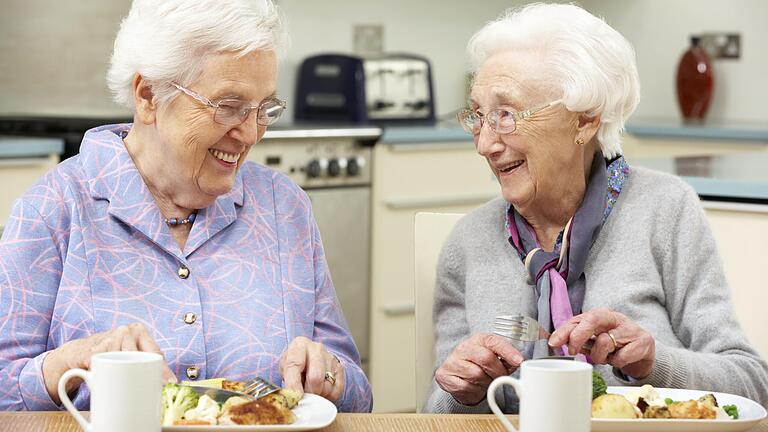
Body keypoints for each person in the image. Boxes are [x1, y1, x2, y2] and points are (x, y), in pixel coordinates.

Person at [0, 0, 371, 412]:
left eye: (264, 109)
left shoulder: (285, 209)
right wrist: (64, 365)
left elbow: (358, 393)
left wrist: (329, 373)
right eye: (228, 107)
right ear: (148, 96)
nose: (250, 133)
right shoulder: (52, 209)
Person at [424, 3, 768, 413]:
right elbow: (436, 411)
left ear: (584, 121)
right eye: (479, 116)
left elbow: (751, 383)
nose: (485, 144)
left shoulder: (665, 210)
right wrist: (463, 391)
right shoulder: (469, 241)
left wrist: (653, 363)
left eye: (506, 114)